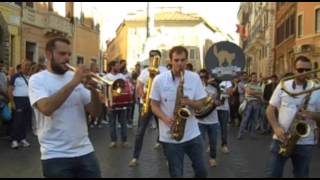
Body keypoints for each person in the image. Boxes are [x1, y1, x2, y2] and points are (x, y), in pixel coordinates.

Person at [28, 37, 102, 178]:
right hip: (55, 154)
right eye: (62, 54)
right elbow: (46, 108)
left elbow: (95, 112)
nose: (67, 58)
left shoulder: (74, 77)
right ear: (49, 54)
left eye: (69, 54)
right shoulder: (37, 80)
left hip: (85, 150)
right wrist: (74, 82)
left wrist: (94, 90)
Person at [150, 46, 208, 178]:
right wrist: (165, 118)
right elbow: (154, 105)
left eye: (182, 60)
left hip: (192, 134)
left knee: (202, 171)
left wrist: (190, 103)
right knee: (176, 174)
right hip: (170, 136)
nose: (180, 64)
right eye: (176, 60)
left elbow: (202, 102)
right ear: (170, 61)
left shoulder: (194, 77)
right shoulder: (159, 80)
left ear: (186, 61)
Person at [266, 56, 320, 178]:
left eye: (308, 70)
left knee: (301, 175)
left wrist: (311, 114)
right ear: (294, 70)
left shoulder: (316, 89)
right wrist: (276, 128)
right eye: (300, 70)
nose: (305, 73)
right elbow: (270, 109)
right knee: (273, 174)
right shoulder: (283, 85)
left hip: (305, 142)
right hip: (281, 138)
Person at [128, 49, 168, 167]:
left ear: (159, 58)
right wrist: (142, 95)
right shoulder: (145, 71)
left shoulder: (165, 71)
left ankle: (167, 157)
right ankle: (135, 157)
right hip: (146, 104)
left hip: (159, 105)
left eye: (156, 56)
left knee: (163, 130)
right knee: (140, 131)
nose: (153, 58)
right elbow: (139, 85)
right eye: (151, 56)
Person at [104, 59, 131, 148]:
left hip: (122, 104)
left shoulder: (122, 76)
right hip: (111, 103)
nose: (119, 67)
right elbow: (104, 91)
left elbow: (126, 89)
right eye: (117, 65)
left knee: (123, 122)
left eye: (119, 65)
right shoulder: (106, 77)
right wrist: (106, 102)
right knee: (112, 123)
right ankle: (113, 141)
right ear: (112, 66)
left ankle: (124, 140)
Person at [197, 69, 220, 167]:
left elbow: (219, 102)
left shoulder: (214, 88)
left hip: (213, 120)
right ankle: (200, 160)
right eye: (201, 77)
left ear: (208, 77)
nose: (203, 79)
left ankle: (212, 158)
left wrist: (217, 102)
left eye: (204, 77)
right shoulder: (196, 88)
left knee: (213, 142)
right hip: (200, 120)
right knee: (200, 143)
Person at [8, 60, 32, 149]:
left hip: (28, 101)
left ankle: (22, 138)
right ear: (21, 66)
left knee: (25, 121)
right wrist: (12, 102)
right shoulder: (15, 76)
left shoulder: (31, 77)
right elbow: (10, 90)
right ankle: (14, 140)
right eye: (25, 65)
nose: (27, 67)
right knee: (17, 121)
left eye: (29, 66)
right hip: (18, 100)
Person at [237, 72, 263, 140]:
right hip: (249, 103)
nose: (254, 78)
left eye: (255, 77)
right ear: (250, 78)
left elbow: (261, 94)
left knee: (254, 120)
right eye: (253, 77)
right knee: (245, 119)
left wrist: (253, 93)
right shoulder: (247, 85)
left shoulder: (259, 85)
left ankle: (253, 135)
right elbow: (249, 92)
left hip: (257, 103)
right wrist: (256, 93)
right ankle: (240, 134)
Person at [216, 79, 232, 153]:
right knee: (213, 128)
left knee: (224, 128)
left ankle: (224, 145)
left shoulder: (227, 81)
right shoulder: (213, 80)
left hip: (224, 108)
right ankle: (211, 144)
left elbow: (230, 92)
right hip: (214, 108)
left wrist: (220, 91)